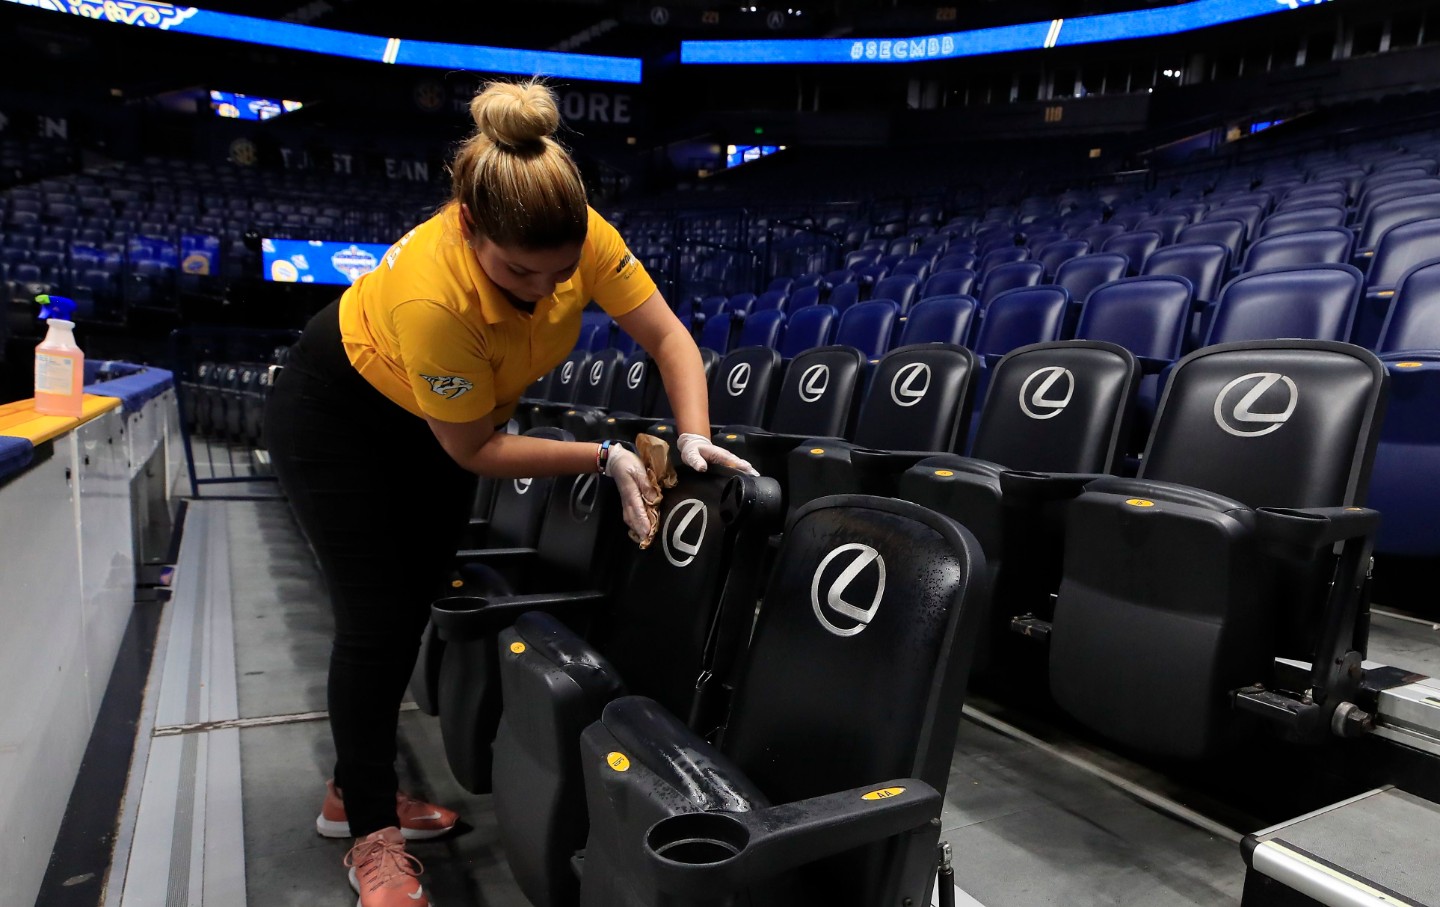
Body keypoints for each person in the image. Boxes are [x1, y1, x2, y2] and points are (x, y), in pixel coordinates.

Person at [262, 79, 754, 907]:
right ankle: (370, 837)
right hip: (340, 420)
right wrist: (601, 455)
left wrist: (695, 429)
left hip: (450, 424)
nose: (541, 288)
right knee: (376, 620)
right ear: (468, 221)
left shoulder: (577, 234)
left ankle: (357, 788)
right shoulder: (433, 294)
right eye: (520, 272)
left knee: (412, 604)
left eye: (559, 273)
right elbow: (473, 447)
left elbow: (667, 334)